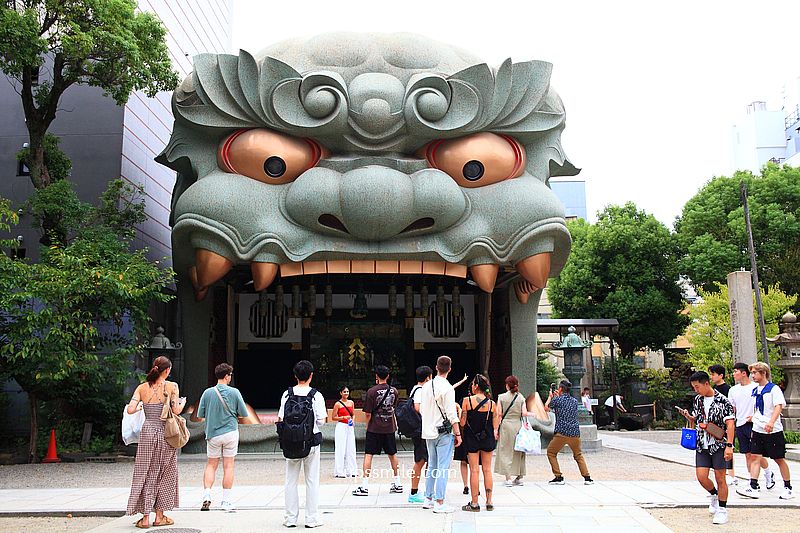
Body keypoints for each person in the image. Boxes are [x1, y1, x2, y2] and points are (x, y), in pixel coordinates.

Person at [126, 356, 186, 529]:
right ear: (167, 370)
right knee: (166, 472)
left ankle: (145, 518)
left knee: (145, 472)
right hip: (166, 433)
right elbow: (175, 410)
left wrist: (139, 407)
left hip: (147, 433)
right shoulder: (171, 386)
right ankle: (159, 516)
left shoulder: (142, 388)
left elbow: (130, 409)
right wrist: (182, 404)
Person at [677, 371, 735, 525]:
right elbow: (697, 418)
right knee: (701, 476)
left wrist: (729, 445)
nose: (696, 390)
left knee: (720, 477)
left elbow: (730, 424)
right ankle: (714, 495)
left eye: (697, 387)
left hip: (719, 444)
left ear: (706, 384)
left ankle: (722, 509)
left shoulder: (723, 401)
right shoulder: (698, 400)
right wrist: (690, 418)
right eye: (694, 387)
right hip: (702, 443)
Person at [278, 360, 327, 528]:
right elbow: (321, 421)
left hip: (290, 442)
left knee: (290, 480)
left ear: (295, 375)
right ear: (311, 375)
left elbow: (280, 419)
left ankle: (290, 519)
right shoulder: (316, 395)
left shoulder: (287, 394)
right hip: (311, 442)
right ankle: (311, 519)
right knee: (312, 480)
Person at [735, 362, 794, 500]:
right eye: (752, 373)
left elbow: (778, 406)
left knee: (779, 459)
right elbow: (758, 407)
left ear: (764, 373)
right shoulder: (756, 390)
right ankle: (753, 486)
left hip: (772, 430)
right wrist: (754, 417)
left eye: (755, 373)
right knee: (755, 456)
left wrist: (771, 422)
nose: (753, 376)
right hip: (757, 428)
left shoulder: (773, 389)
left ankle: (788, 487)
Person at [196, 363, 248, 512]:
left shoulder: (207, 393)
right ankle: (225, 501)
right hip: (230, 432)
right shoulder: (235, 392)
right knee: (228, 466)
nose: (230, 377)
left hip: (213, 434)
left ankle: (207, 495)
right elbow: (244, 413)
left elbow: (200, 415)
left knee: (211, 465)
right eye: (230, 375)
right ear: (226, 376)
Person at [414, 355, 461, 513]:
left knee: (432, 464)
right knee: (443, 467)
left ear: (436, 367)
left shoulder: (426, 386)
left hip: (428, 431)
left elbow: (422, 409)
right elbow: (451, 414)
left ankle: (428, 498)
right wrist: (458, 433)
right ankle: (439, 502)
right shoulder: (447, 388)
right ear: (450, 369)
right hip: (443, 432)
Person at [352, 365, 402, 496]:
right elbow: (393, 407)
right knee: (392, 454)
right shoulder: (394, 391)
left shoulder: (372, 392)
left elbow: (368, 413)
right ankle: (397, 483)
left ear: (376, 376)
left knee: (369, 454)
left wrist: (367, 426)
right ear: (388, 376)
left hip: (375, 427)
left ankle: (364, 485)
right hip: (389, 427)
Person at [728, 362, 774, 489]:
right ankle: (754, 478)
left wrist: (755, 417)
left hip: (754, 424)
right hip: (741, 424)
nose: (734, 374)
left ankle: (764, 474)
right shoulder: (733, 390)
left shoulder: (755, 388)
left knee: (755, 454)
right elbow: (733, 408)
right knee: (747, 454)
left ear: (743, 373)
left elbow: (761, 405)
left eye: (736, 371)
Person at [544, 380, 594, 485]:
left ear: (561, 389)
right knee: (578, 455)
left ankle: (558, 476)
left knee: (551, 453)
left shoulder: (557, 400)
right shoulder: (575, 401)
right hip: (574, 432)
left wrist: (550, 397)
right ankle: (587, 477)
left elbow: (546, 408)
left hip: (561, 432)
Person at [459, 374, 496, 512]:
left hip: (472, 439)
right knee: (487, 469)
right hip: (488, 438)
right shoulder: (492, 403)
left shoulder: (467, 401)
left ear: (475, 386)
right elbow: (495, 424)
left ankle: (474, 503)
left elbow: (462, 422)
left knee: (474, 470)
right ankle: (489, 501)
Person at [494, 375, 532, 487]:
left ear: (507, 385)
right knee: (519, 451)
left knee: (506, 451)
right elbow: (524, 413)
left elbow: (498, 414)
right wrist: (532, 414)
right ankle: (519, 477)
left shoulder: (501, 397)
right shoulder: (521, 397)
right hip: (518, 425)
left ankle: (508, 478)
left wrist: (496, 429)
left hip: (506, 426)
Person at [407, 366, 432, 503]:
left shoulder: (416, 389)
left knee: (426, 460)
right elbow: (418, 407)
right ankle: (414, 492)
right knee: (421, 460)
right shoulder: (420, 390)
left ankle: (428, 490)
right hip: (421, 430)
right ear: (428, 377)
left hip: (421, 430)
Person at [708, 364, 734, 484]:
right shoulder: (713, 389)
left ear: (721, 375)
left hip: (726, 422)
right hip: (714, 424)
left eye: (713, 374)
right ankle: (724, 472)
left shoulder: (727, 389)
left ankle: (731, 474)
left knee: (728, 447)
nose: (711, 377)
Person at [332, 385, 357, 479]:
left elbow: (353, 414)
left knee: (351, 448)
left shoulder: (351, 403)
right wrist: (342, 418)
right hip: (341, 426)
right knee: (340, 448)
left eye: (347, 392)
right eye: (344, 392)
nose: (346, 393)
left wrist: (353, 420)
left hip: (349, 426)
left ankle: (352, 470)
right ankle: (339, 471)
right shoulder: (337, 404)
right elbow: (333, 417)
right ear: (341, 393)